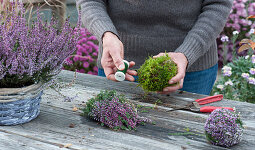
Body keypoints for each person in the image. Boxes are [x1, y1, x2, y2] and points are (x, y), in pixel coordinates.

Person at [76, 0, 233, 95]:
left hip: (192, 70)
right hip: (120, 66)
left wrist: (186, 54)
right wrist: (107, 34)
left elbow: (217, 4)